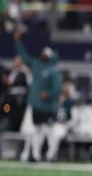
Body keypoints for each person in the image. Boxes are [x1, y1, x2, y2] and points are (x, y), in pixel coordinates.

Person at [14, 30, 62, 162]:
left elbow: (58, 89)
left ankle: (51, 155)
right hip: (36, 105)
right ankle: (36, 155)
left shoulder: (53, 70)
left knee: (49, 131)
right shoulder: (36, 65)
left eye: (45, 54)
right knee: (35, 130)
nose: (42, 55)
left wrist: (48, 93)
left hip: (48, 107)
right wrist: (17, 42)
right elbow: (24, 56)